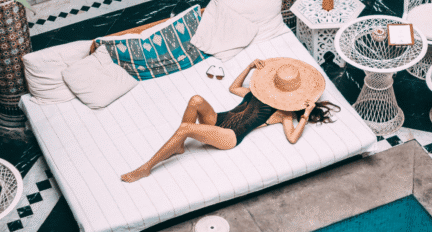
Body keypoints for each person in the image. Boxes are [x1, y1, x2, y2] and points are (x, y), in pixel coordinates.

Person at [121, 56, 340, 182]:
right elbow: (233, 87)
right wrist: (250, 67)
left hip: (230, 136)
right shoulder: (260, 92)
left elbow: (292, 138)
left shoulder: (284, 113)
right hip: (219, 119)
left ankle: (147, 167)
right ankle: (178, 148)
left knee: (185, 129)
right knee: (196, 99)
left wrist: (307, 114)